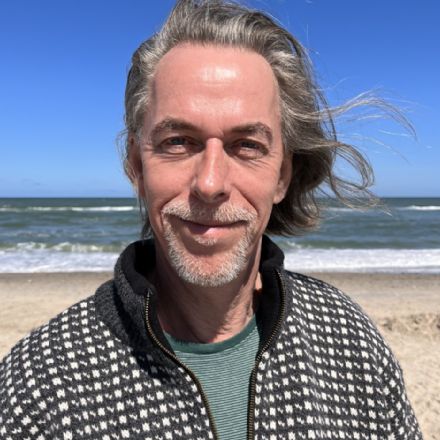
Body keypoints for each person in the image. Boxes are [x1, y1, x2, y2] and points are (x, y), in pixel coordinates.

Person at [0, 1, 422, 439]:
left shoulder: (347, 339)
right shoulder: (41, 386)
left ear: (282, 176)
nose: (210, 182)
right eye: (178, 141)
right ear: (137, 167)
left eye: (247, 145)